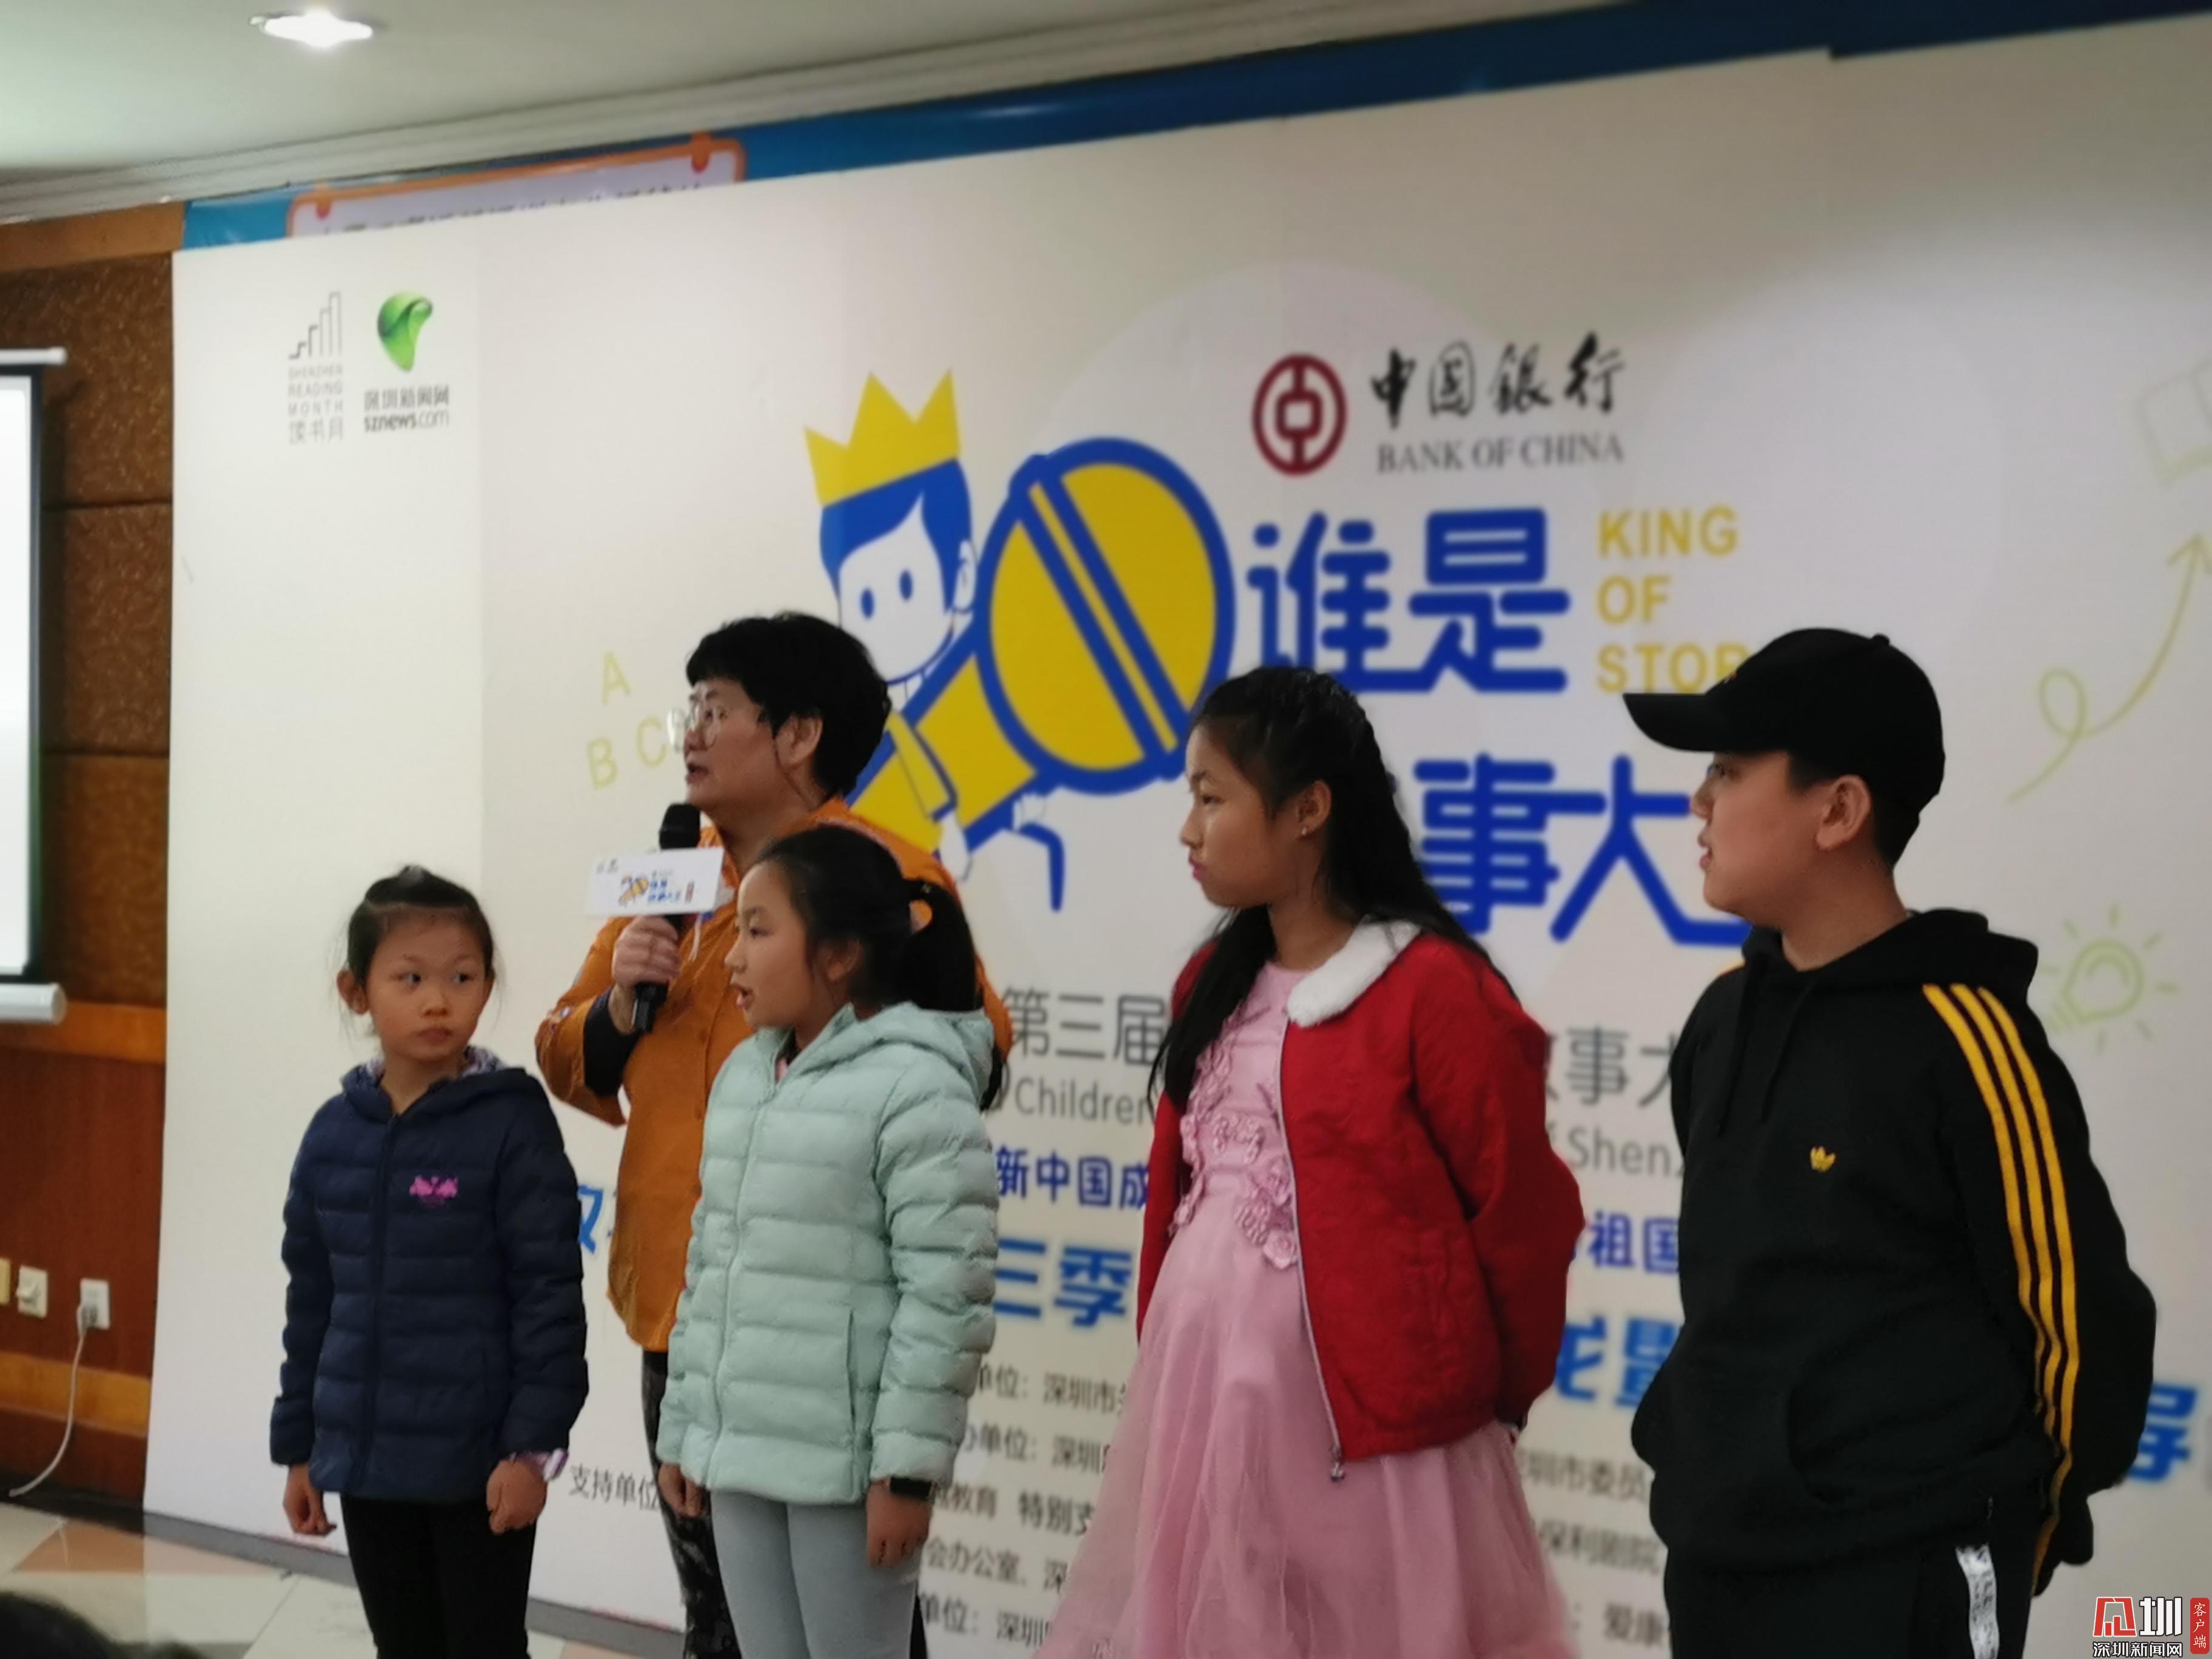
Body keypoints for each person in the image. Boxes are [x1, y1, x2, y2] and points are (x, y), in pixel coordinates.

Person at [1620, 629, 2157, 1659]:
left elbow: (2080, 1326)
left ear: (1839, 810)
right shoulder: (1724, 1017)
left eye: (1728, 771)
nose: (1698, 802)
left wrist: (2007, 1529)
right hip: (1721, 1557)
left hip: (1904, 1575)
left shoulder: (1966, 1039)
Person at [1041, 666, 1583, 1659]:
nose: (1189, 830)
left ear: (1308, 810)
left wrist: (1481, 1400)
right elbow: (1176, 1192)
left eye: (1212, 799)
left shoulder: (1429, 986)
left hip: (1376, 1432)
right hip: (1208, 1394)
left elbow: (1521, 1215)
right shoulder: (1212, 983)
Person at [537, 612, 1008, 1659]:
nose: (692, 732)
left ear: (799, 734)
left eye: (718, 710)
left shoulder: (887, 881)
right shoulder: (672, 879)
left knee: (854, 1626)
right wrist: (621, 1004)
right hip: (691, 1304)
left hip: (830, 1336)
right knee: (721, 1620)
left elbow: (972, 1055)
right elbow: (564, 1051)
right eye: (689, 708)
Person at [654, 825, 1001, 1659]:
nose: (732, 958)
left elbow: (945, 1299)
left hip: (847, 1475)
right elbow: (711, 1265)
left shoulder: (917, 1085)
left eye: (758, 931)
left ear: (840, 955)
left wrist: (905, 1475)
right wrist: (686, 1430)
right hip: (740, 1456)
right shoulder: (746, 1076)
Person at [274, 868, 588, 1659]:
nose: (439, 1001)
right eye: (410, 979)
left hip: (478, 1463)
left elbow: (549, 1297)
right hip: (367, 1461)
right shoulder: (332, 1134)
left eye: (462, 978)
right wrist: (301, 1448)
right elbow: (311, 1304)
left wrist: (531, 1450)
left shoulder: (513, 1123)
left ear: (488, 986)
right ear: (356, 992)